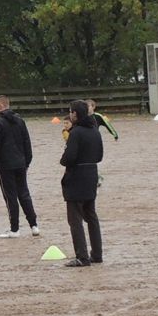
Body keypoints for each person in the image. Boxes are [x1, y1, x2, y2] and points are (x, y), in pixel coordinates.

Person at [0, 95, 39, 238]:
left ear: (1, 106)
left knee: (10, 197)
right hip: (21, 164)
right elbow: (27, 143)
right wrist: (27, 162)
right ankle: (34, 225)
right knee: (24, 194)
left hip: (5, 166)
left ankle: (15, 229)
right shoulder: (20, 121)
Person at [59, 100, 103, 266]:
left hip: (76, 176)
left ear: (75, 114)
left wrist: (64, 160)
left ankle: (82, 256)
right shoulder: (95, 131)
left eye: (71, 112)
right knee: (91, 216)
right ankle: (97, 254)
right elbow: (100, 156)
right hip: (92, 174)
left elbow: (68, 158)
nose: (70, 115)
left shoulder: (75, 133)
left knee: (75, 218)